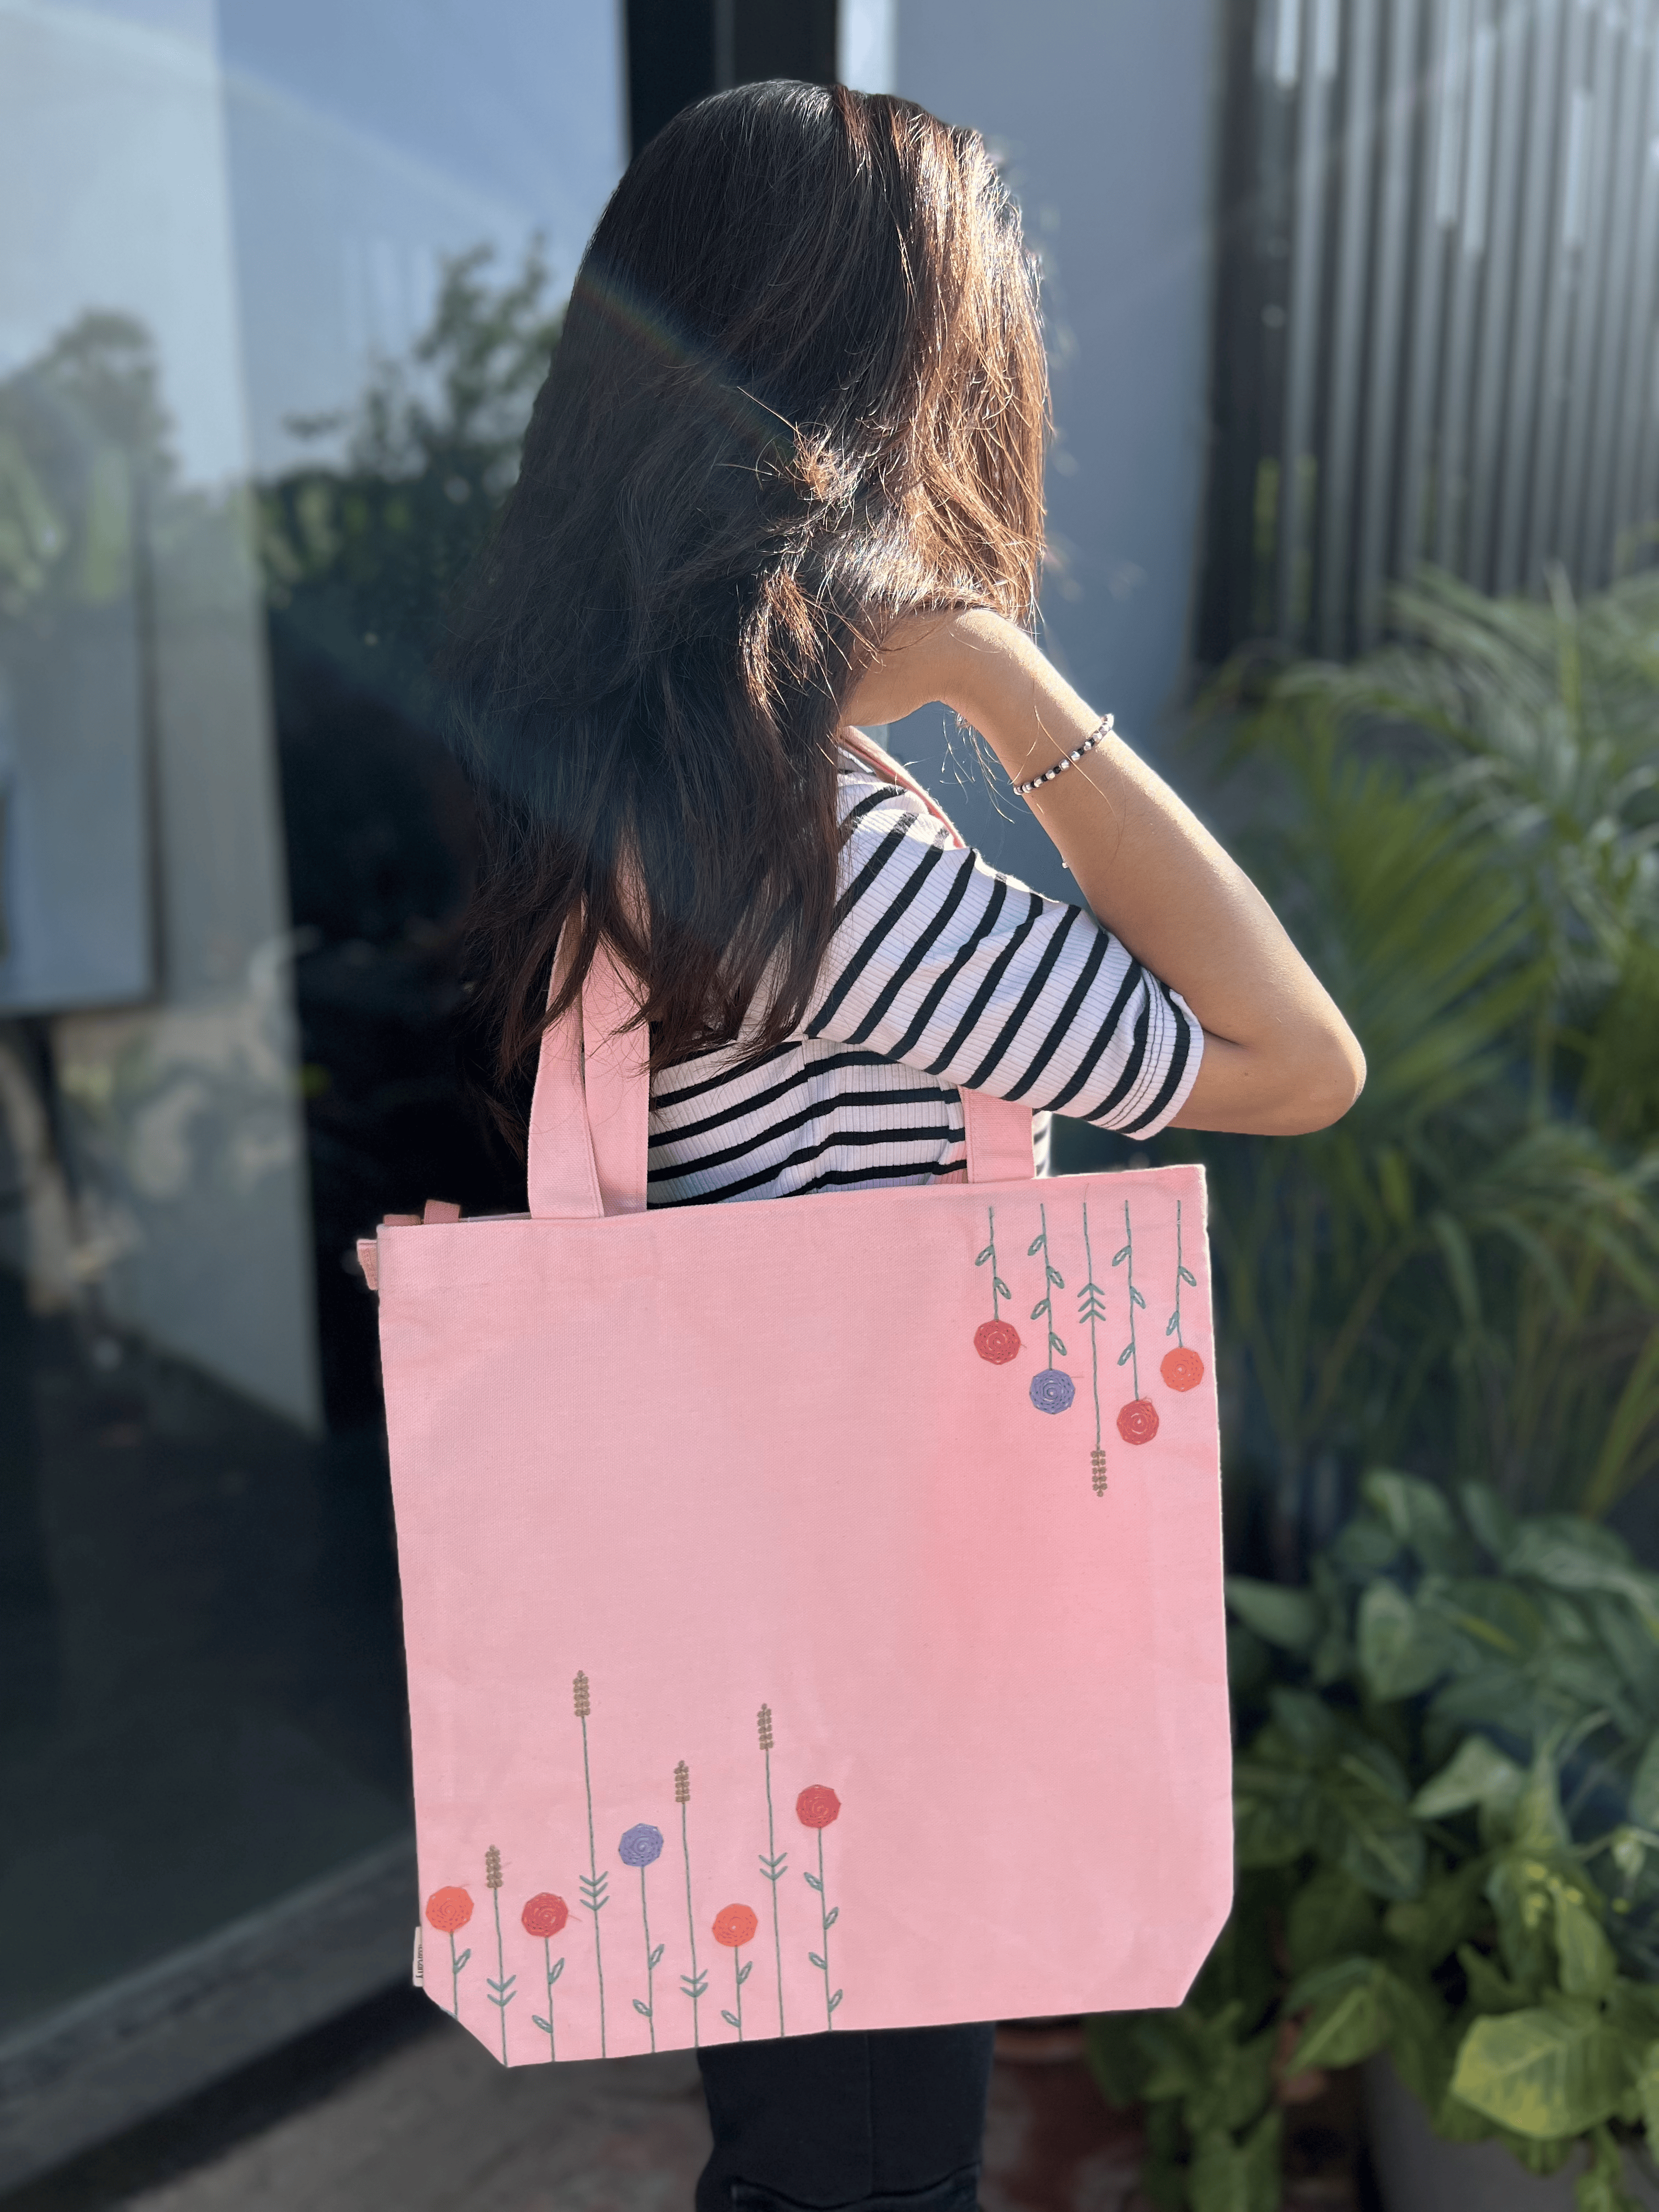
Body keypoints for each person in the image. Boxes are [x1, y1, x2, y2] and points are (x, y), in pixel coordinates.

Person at [444, 78, 1363, 2212]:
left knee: (801, 2153)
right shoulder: (817, 857)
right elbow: (1291, 1052)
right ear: (887, 387)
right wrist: (996, 674)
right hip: (851, 1668)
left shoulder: (648, 802)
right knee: (853, 2171)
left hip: (744, 1657)